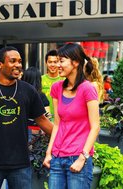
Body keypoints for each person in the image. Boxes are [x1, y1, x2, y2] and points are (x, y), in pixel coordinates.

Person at [0, 46, 54, 189]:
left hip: (20, 164)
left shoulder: (28, 91)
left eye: (20, 61)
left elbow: (42, 121)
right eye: (12, 61)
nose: (18, 65)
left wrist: (67, 138)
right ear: (0, 65)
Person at [43, 43, 100, 189]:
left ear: (75, 62)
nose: (57, 65)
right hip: (57, 158)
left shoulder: (87, 89)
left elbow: (95, 127)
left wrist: (83, 158)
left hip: (78, 157)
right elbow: (57, 123)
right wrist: (49, 153)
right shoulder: (56, 88)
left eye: (61, 61)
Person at [22, 67, 49, 139]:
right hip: (37, 132)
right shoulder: (41, 96)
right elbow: (46, 116)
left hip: (21, 131)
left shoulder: (19, 95)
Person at [41, 50, 64, 118]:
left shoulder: (65, 80)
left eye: (55, 62)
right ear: (46, 63)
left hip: (62, 120)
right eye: (50, 62)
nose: (53, 65)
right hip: (45, 120)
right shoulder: (40, 80)